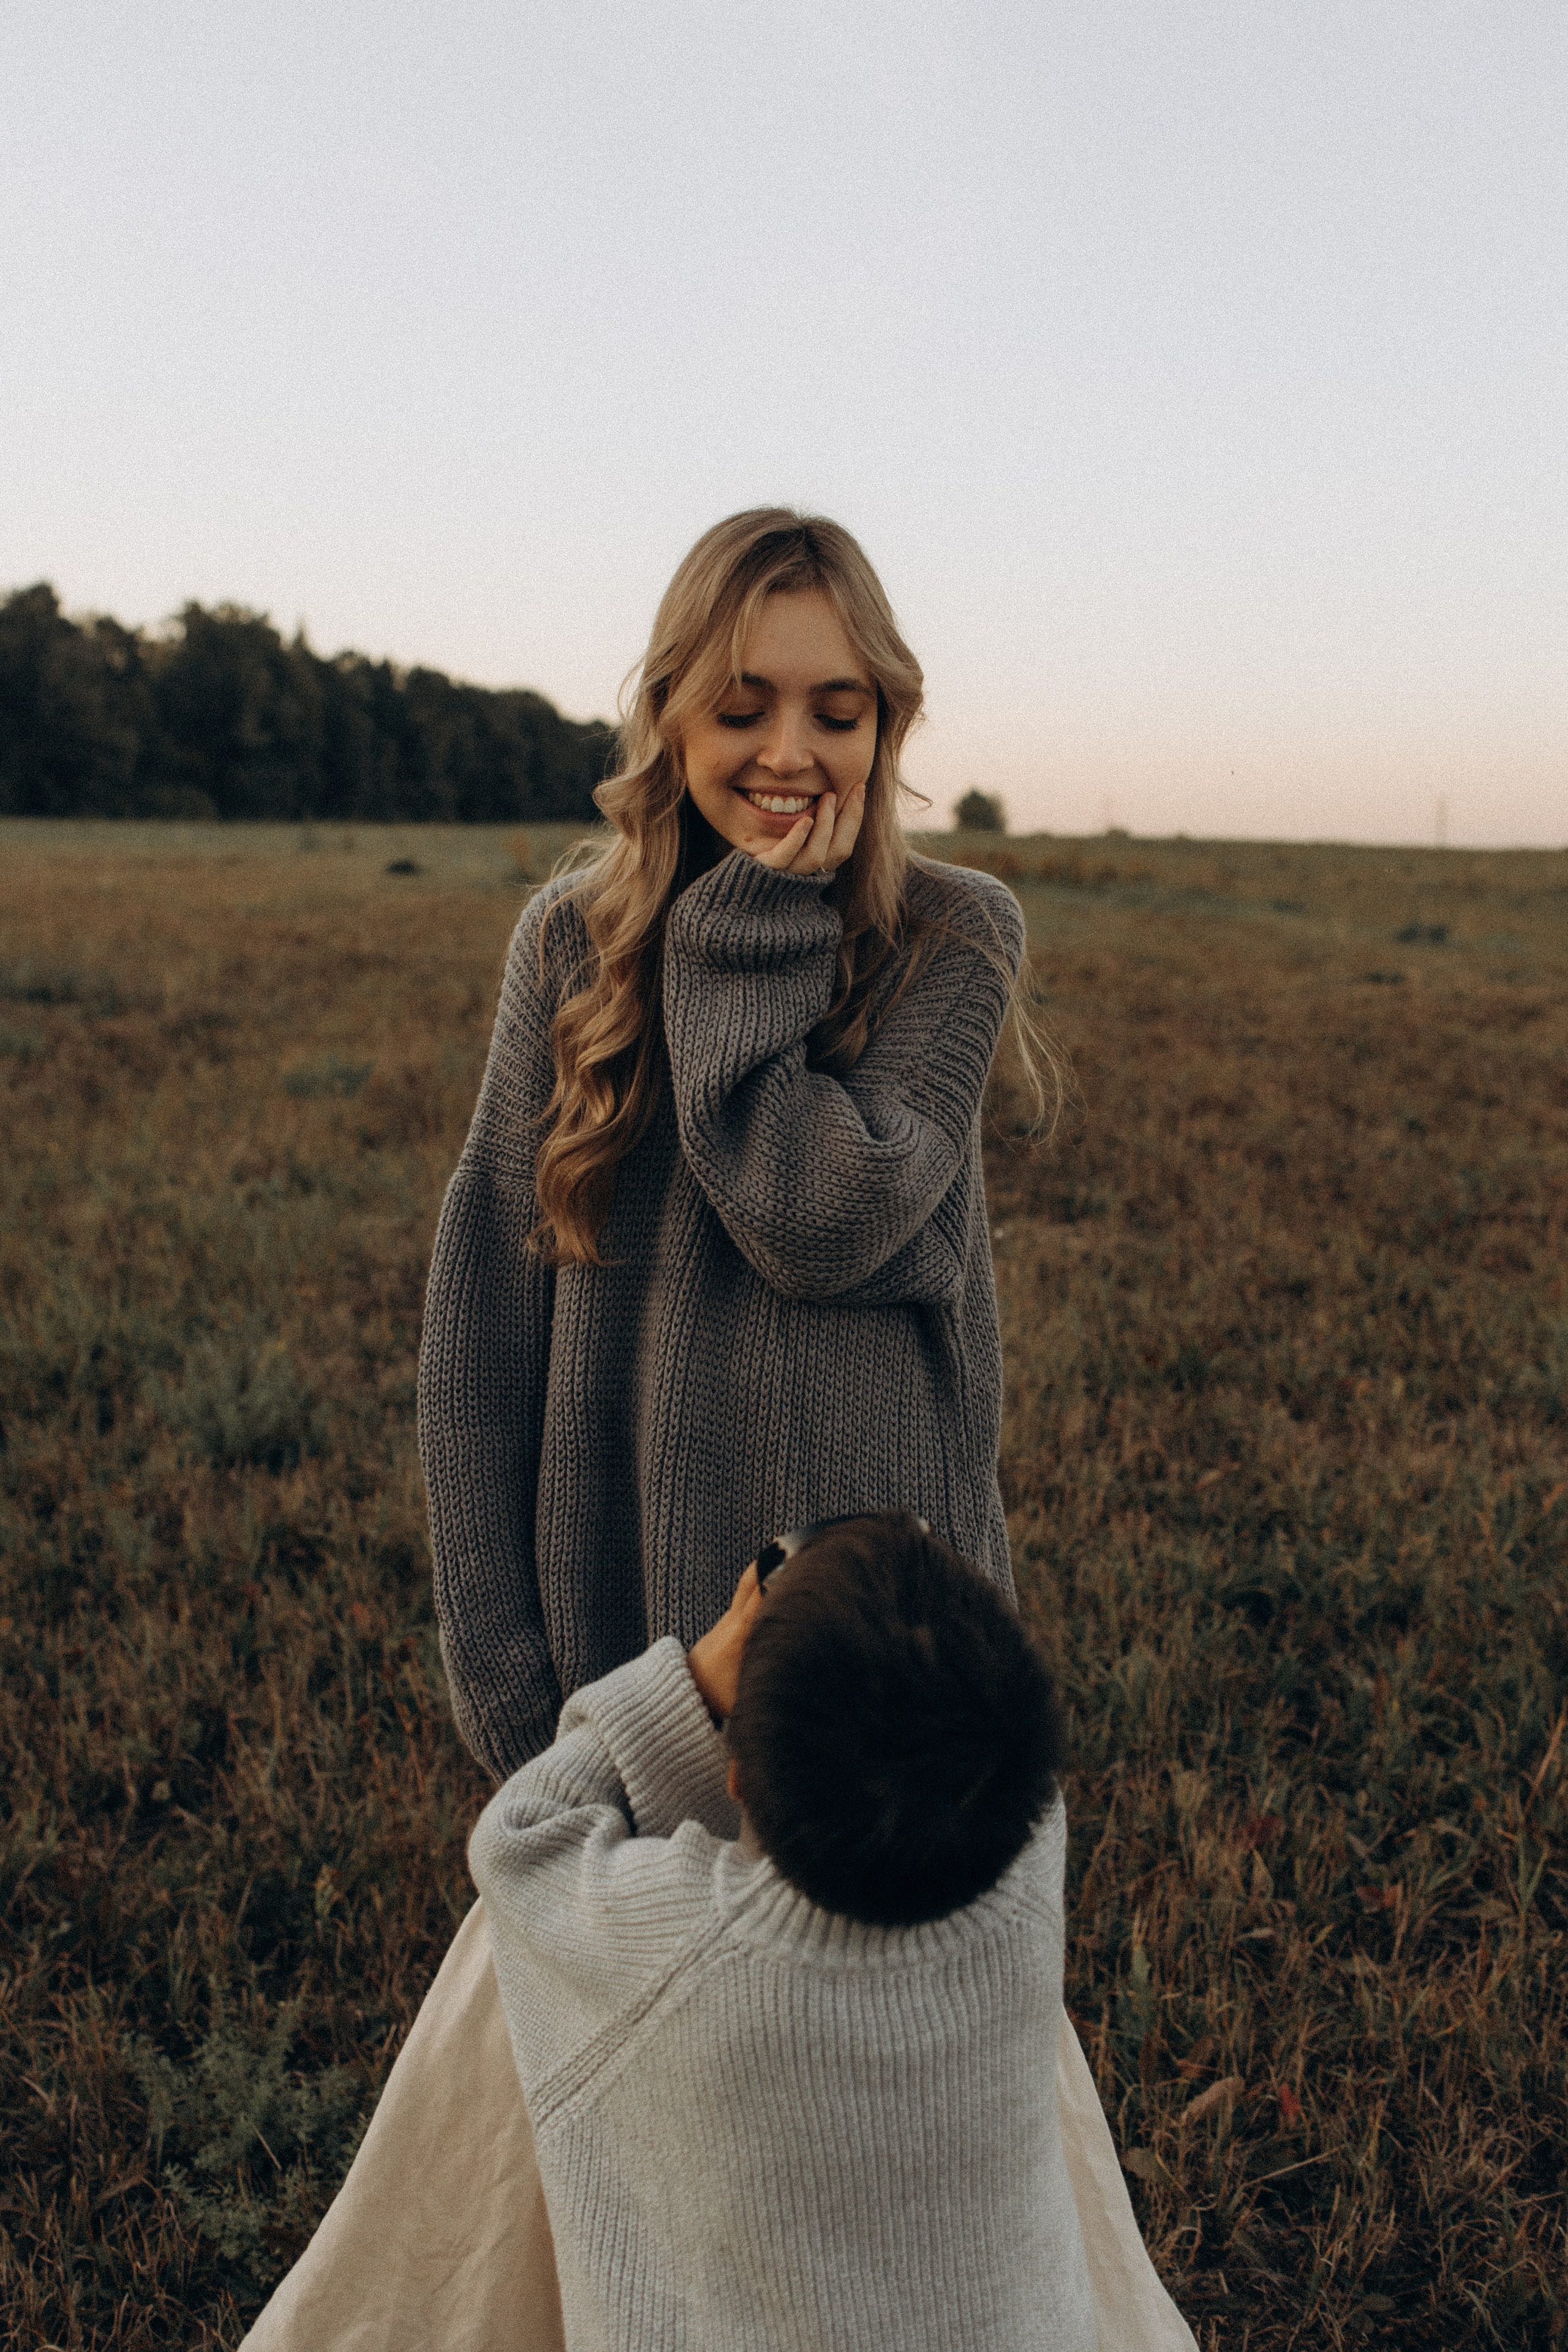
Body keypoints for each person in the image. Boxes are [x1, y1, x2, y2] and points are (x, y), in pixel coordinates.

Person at [416, 507, 1047, 1785]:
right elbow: (483, 1324)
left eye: (837, 712)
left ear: (886, 726)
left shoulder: (955, 937)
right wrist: (502, 1669)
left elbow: (814, 1218)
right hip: (622, 1630)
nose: (789, 752)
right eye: (742, 707)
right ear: (671, 717)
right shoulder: (573, 946)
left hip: (885, 1642)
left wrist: (754, 925)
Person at [472, 1510, 1098, 2351]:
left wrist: (692, 1685)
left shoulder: (684, 1944)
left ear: (733, 1775)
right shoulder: (1028, 1868)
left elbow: (519, 1837)